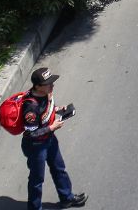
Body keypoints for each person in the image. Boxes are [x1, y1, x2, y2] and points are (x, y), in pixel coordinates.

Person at [19, 68, 87, 210]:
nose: (52, 85)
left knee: (59, 168)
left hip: (49, 140)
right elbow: (31, 133)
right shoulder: (30, 107)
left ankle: (67, 198)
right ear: (37, 86)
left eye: (52, 82)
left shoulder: (45, 93)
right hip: (36, 147)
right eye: (48, 83)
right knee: (37, 180)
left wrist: (57, 109)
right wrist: (52, 127)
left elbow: (46, 108)